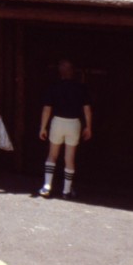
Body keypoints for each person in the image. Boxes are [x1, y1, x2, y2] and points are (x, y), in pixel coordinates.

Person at [37, 59, 92, 199]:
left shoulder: (54, 87)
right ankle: (66, 190)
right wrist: (88, 127)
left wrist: (43, 127)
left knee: (52, 155)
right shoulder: (81, 87)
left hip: (58, 122)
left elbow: (47, 109)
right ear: (72, 71)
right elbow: (87, 110)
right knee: (70, 158)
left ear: (60, 71)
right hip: (74, 124)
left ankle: (47, 186)